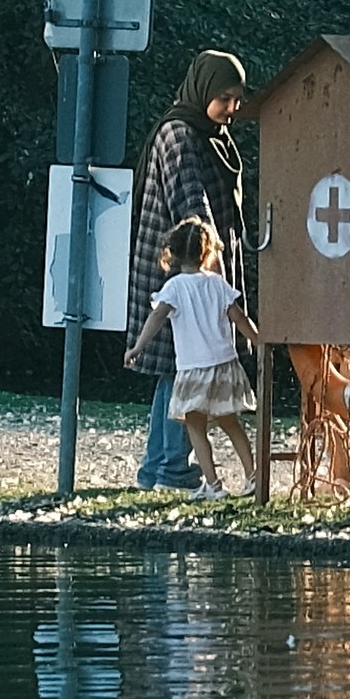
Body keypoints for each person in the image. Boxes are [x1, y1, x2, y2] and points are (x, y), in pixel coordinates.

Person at [125, 51, 249, 487]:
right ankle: (170, 466)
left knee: (178, 371)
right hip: (181, 269)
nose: (232, 108)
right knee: (186, 369)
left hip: (196, 267)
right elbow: (190, 207)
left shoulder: (211, 134)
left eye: (237, 99)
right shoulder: (178, 134)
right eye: (224, 97)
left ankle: (159, 466)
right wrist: (210, 279)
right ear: (203, 91)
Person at [148, 216, 264, 499]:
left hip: (193, 368)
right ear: (208, 251)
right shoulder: (217, 283)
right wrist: (261, 343)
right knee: (230, 422)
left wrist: (137, 348)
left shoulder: (174, 287)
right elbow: (239, 317)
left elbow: (156, 318)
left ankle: (212, 484)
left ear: (172, 253)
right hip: (224, 364)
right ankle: (253, 476)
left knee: (195, 428)